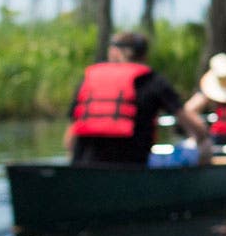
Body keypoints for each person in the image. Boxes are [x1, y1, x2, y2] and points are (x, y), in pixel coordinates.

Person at [65, 30, 210, 167]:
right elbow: (192, 125)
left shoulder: (90, 79)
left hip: (85, 169)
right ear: (144, 56)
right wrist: (203, 137)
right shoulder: (153, 81)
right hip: (134, 169)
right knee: (204, 144)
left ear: (114, 53)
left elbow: (69, 141)